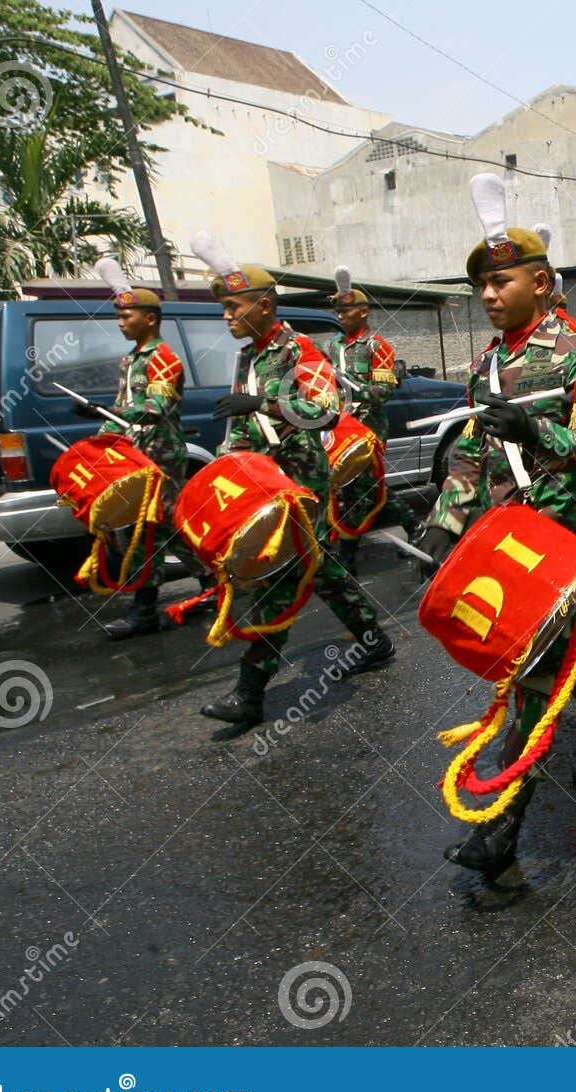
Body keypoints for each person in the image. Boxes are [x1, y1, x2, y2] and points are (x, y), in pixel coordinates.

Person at [417, 176, 576, 879]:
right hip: (504, 532)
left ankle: (500, 828)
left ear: (542, 282)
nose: (489, 295)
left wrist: (536, 427)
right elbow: (471, 450)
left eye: (501, 280)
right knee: (565, 663)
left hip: (559, 532)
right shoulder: (488, 362)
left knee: (528, 675)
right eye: (482, 285)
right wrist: (443, 525)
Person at [191, 233, 394, 726]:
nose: (226, 317)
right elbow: (238, 424)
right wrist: (228, 460)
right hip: (262, 482)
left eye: (233, 307)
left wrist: (264, 403)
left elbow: (325, 412)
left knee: (278, 579)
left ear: (263, 306)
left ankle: (250, 692)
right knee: (319, 568)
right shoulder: (250, 357)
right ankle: (374, 639)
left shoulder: (300, 350)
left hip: (300, 485)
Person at [75, 258, 215, 639]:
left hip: (160, 458)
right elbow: (123, 410)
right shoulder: (130, 361)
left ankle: (146, 610)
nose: (120, 322)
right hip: (137, 458)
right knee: (165, 529)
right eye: (118, 315)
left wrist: (111, 412)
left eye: (127, 315)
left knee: (148, 531)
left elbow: (157, 408)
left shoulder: (163, 359)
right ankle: (212, 586)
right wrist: (100, 432)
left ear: (150, 319)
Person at [325, 268, 420, 575]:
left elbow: (384, 391)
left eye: (347, 309)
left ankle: (347, 555)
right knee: (360, 486)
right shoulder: (333, 347)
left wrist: (356, 390)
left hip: (368, 428)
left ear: (363, 312)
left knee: (359, 485)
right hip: (340, 427)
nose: (341, 315)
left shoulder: (377, 347)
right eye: (337, 310)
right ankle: (413, 524)